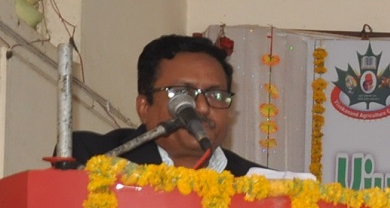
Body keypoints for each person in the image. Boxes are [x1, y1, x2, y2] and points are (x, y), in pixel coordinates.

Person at [67, 34, 261, 173]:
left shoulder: (259, 182)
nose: (202, 107)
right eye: (183, 93)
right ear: (144, 107)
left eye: (216, 95)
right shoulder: (93, 157)